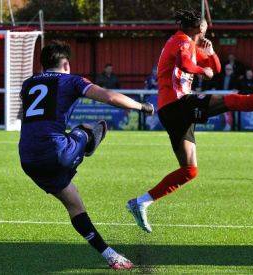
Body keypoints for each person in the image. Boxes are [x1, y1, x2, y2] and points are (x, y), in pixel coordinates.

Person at [126, 9, 253, 233]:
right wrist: (204, 70)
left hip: (172, 110)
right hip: (177, 104)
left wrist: (210, 53)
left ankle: (141, 202)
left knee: (189, 170)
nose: (206, 32)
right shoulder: (182, 41)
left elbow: (217, 69)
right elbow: (185, 64)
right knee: (234, 101)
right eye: (205, 29)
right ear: (198, 28)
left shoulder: (189, 44)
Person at [19, 41, 154, 270]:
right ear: (66, 64)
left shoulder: (28, 84)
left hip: (28, 158)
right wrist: (142, 107)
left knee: (75, 204)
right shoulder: (71, 80)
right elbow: (110, 97)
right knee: (93, 128)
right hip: (57, 152)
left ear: (43, 65)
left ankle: (111, 255)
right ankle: (86, 145)